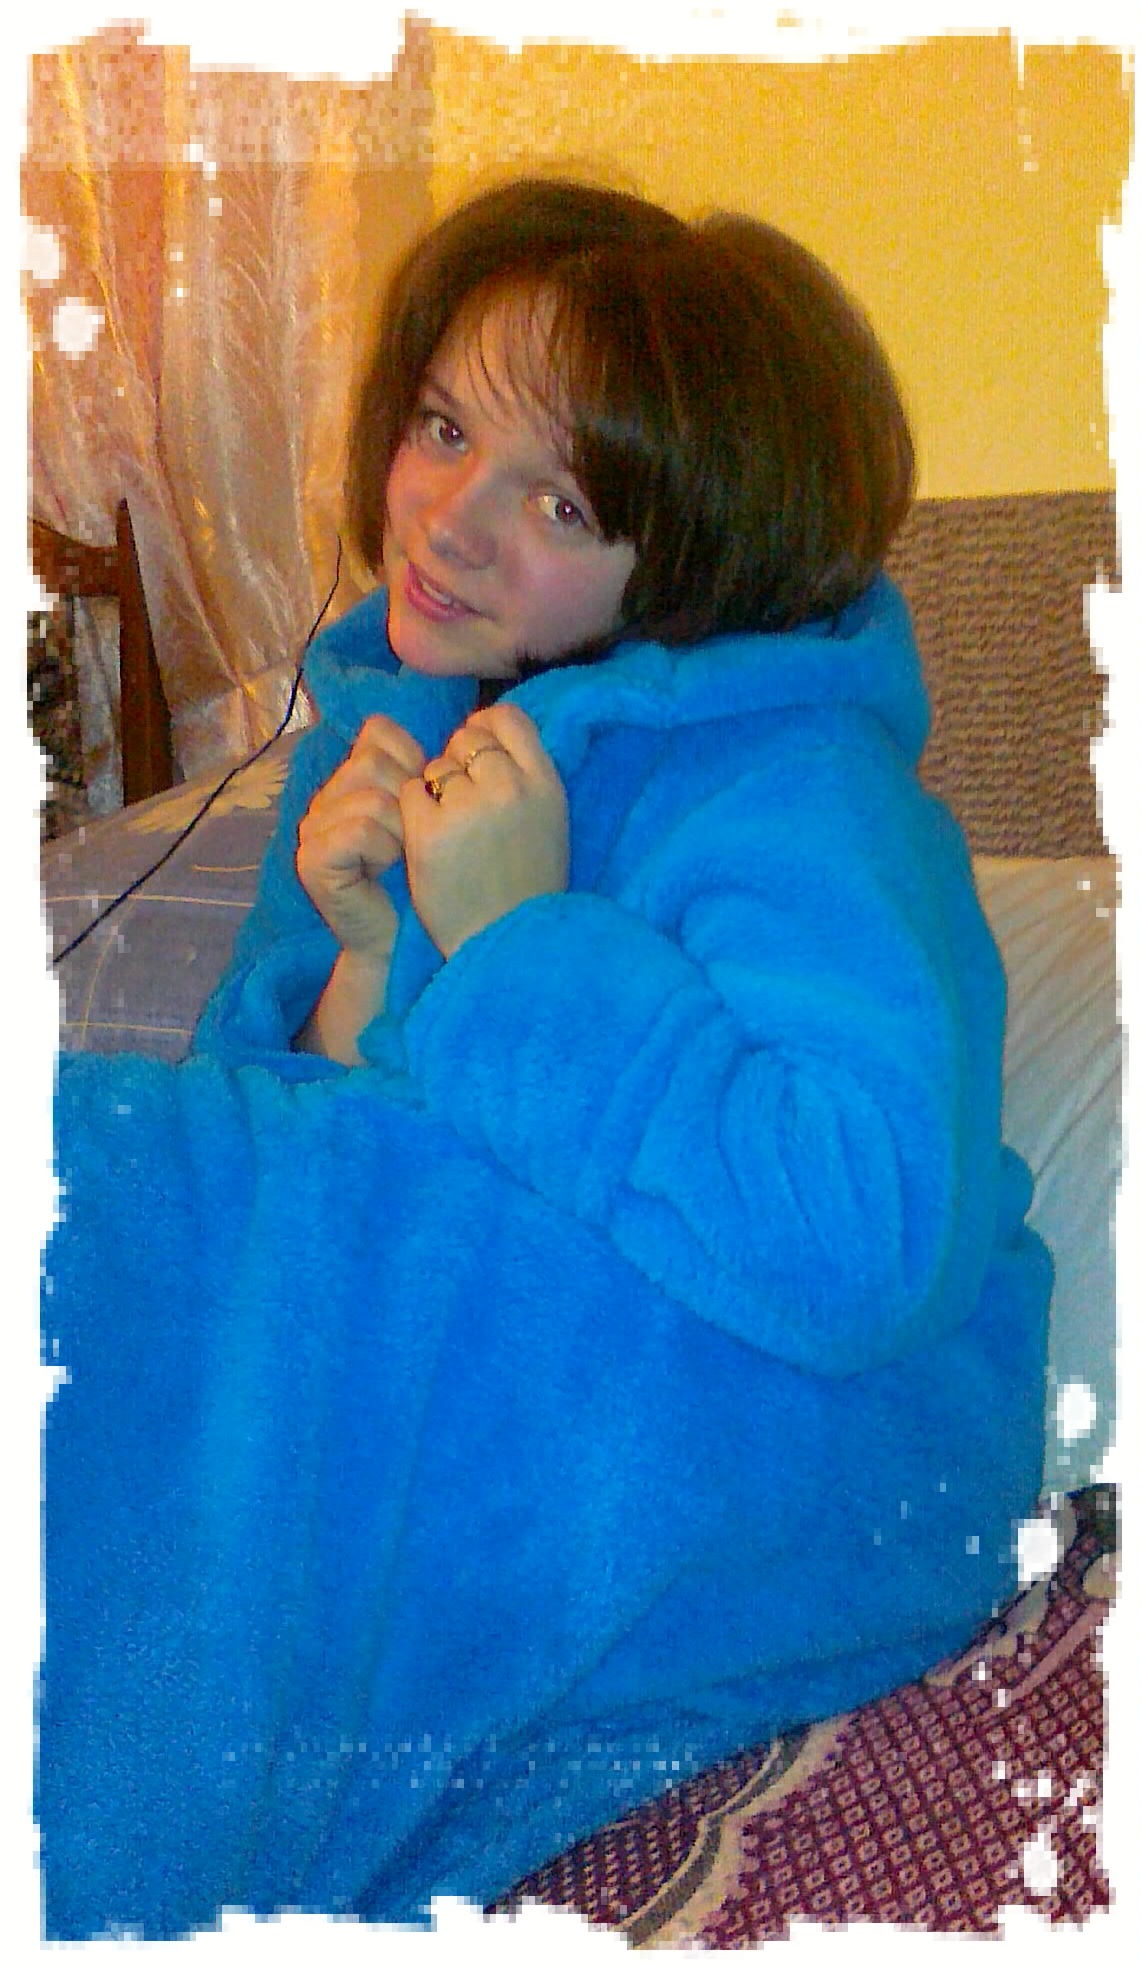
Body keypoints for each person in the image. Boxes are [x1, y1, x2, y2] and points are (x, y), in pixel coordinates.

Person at [41, 178, 1052, 1939]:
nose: (449, 522)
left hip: (794, 1456)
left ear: (694, 550)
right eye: (442, 428)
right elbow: (290, 1196)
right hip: (463, 1407)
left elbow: (869, 1228)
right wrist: (360, 967)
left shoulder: (803, 789)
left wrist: (515, 941)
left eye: (562, 498)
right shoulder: (399, 732)